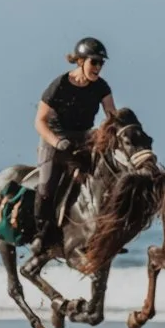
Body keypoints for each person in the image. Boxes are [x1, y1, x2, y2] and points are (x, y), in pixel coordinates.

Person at [29, 38, 118, 226]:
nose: (98, 67)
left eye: (101, 63)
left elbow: (112, 117)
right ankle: (41, 234)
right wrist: (57, 142)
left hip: (84, 139)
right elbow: (39, 121)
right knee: (46, 187)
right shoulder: (59, 85)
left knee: (107, 179)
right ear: (80, 61)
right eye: (94, 62)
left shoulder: (102, 87)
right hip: (54, 141)